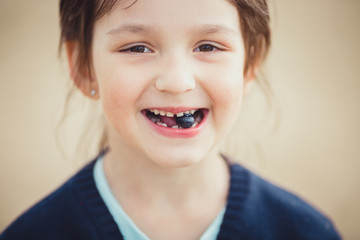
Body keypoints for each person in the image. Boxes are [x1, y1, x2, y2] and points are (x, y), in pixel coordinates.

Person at [0, 0, 341, 239]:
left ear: (249, 65)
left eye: (208, 46)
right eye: (137, 48)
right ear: (84, 68)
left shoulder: (304, 231)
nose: (177, 82)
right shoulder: (34, 233)